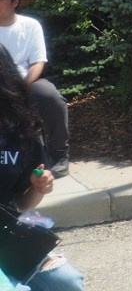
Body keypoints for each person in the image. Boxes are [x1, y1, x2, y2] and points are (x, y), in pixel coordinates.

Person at [0, 45, 84, 291]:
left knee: (67, 282)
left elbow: (21, 204)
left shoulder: (17, 130)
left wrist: (39, 188)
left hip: (5, 238)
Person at [0, 0, 70, 179]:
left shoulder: (30, 26)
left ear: (15, 2)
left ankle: (59, 155)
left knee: (50, 97)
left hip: (25, 82)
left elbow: (38, 62)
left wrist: (22, 87)